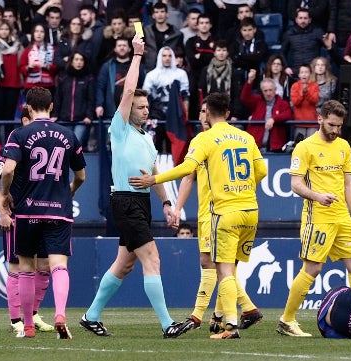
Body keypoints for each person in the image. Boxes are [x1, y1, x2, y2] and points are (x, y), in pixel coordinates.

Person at [128, 91, 268, 340]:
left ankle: (230, 325)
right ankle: (226, 314)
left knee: (223, 269)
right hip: (250, 211)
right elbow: (261, 172)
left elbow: (187, 169)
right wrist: (242, 188)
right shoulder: (246, 137)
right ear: (227, 112)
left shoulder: (205, 139)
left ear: (208, 113)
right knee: (227, 267)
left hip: (222, 212)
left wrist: (154, 179)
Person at [79, 34, 185, 339]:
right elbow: (127, 89)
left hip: (141, 202)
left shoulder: (144, 138)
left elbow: (153, 172)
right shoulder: (120, 128)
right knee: (152, 258)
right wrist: (137, 56)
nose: (145, 110)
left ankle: (91, 316)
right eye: (139, 106)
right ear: (128, 109)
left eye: (146, 106)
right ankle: (167, 325)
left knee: (124, 265)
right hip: (125, 200)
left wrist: (166, 203)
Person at [170, 98, 263, 336]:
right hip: (209, 211)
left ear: (210, 114)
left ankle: (207, 314)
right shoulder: (201, 142)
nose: (202, 115)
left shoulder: (213, 141)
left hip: (219, 211)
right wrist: (178, 207)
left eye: (204, 111)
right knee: (218, 264)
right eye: (199, 111)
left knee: (216, 264)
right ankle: (221, 315)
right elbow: (188, 177)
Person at [0, 86, 86, 339]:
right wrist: (69, 191)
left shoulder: (20, 133)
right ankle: (60, 313)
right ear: (51, 107)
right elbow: (81, 175)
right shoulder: (68, 135)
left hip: (27, 211)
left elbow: (6, 171)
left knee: (25, 268)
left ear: (27, 107)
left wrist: (6, 195)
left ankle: (27, 326)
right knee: (59, 266)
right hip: (59, 210)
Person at [277, 100, 351, 337]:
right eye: (331, 124)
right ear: (320, 119)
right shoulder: (305, 148)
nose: (335, 130)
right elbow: (295, 184)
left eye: (339, 126)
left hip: (342, 218)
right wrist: (317, 196)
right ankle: (286, 320)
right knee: (313, 268)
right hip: (317, 217)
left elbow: (348, 183)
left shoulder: (344, 146)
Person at [0, 106, 55, 335]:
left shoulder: (47, 143)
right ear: (26, 120)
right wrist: (3, 213)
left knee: (44, 266)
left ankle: (33, 314)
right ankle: (16, 319)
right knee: (18, 266)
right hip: (19, 216)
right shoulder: (13, 145)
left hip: (43, 213)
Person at [142, 46, 189, 154]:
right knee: (154, 148)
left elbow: (186, 96)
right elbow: (145, 98)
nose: (167, 58)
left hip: (175, 117)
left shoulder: (181, 74)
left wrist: (185, 115)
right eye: (164, 55)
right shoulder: (151, 75)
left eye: (169, 55)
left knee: (173, 149)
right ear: (159, 57)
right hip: (156, 116)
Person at [240, 70, 293, 152]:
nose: (268, 93)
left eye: (270, 90)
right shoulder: (257, 100)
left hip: (274, 147)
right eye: (265, 91)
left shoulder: (282, 103)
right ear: (262, 91)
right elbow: (244, 98)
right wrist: (249, 81)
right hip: (255, 145)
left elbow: (288, 114)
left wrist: (274, 119)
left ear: (275, 90)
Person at [52, 51, 94, 147]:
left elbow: (91, 99)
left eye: (81, 60)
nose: (79, 62)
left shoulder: (88, 78)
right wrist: (55, 114)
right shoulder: (63, 77)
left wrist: (89, 115)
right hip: (65, 120)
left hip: (81, 120)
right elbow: (58, 97)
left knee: (75, 145)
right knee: (65, 146)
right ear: (71, 61)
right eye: (76, 59)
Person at [142, 2, 184, 71]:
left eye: (162, 11)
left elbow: (181, 53)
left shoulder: (177, 33)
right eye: (156, 12)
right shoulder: (146, 31)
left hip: (170, 71)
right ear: (153, 15)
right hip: (150, 69)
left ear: (167, 14)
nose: (159, 14)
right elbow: (137, 42)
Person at [290, 63, 319, 141]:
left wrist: (306, 92)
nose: (304, 74)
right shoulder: (295, 86)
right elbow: (295, 102)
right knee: (299, 146)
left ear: (310, 74)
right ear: (299, 74)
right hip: (299, 122)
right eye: (302, 72)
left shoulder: (315, 85)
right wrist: (303, 93)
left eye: (306, 72)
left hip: (312, 122)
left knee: (312, 145)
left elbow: (314, 100)